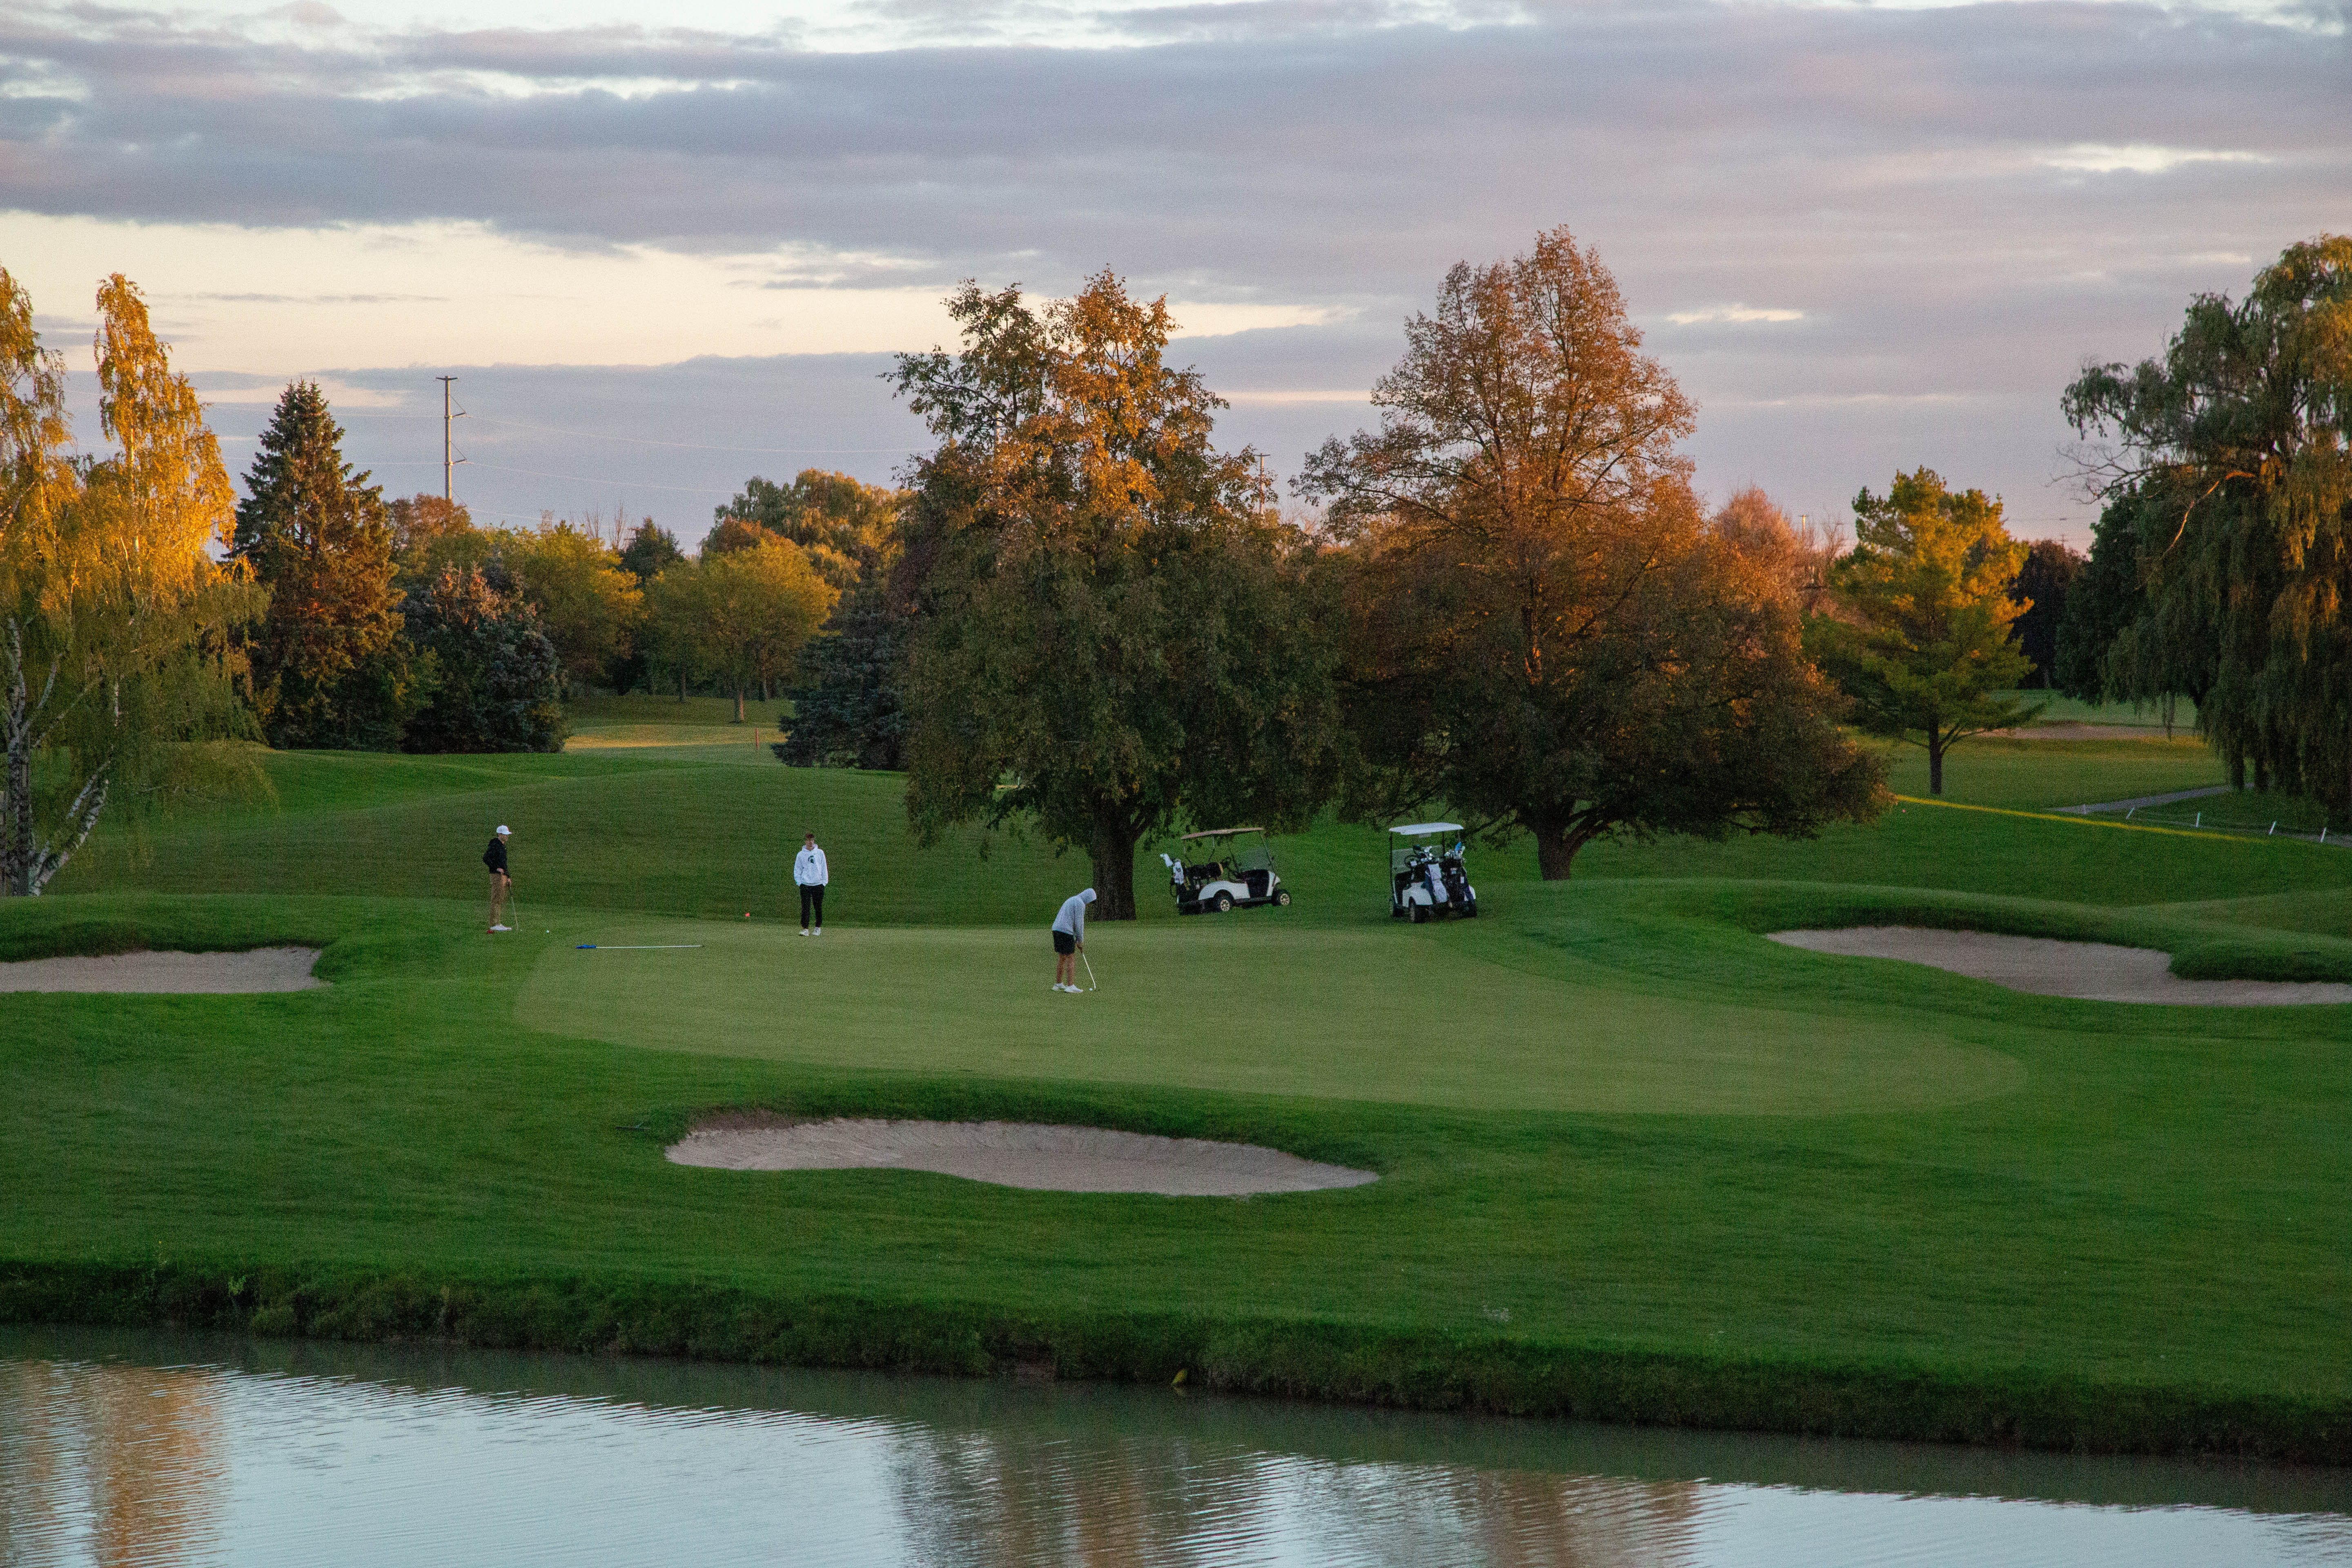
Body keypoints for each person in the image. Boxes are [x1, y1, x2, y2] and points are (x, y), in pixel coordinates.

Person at [1051, 887, 1096, 992]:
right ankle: (1070, 986)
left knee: (1062, 956)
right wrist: (1080, 940)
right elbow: (1079, 924)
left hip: (1056, 929)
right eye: (1090, 902)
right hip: (1066, 931)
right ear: (1088, 898)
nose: (1089, 905)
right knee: (1071, 958)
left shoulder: (1072, 899)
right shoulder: (1080, 903)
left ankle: (1058, 984)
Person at [793, 831, 829, 935]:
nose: (810, 842)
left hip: (818, 884)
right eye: (809, 840)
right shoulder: (801, 855)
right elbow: (798, 870)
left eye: (812, 840)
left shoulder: (820, 853)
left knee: (818, 907)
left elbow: (824, 868)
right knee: (806, 907)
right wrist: (800, 883)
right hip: (806, 885)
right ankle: (805, 929)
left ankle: (818, 927)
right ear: (806, 841)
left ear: (814, 841)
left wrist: (824, 883)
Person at [484, 825, 512, 932]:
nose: (507, 837)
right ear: (500, 835)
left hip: (503, 876)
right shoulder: (495, 845)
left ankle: (498, 923)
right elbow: (486, 858)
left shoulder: (502, 846)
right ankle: (494, 924)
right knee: (496, 899)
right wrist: (496, 868)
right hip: (497, 876)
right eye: (505, 835)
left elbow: (504, 864)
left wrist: (508, 877)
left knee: (500, 899)